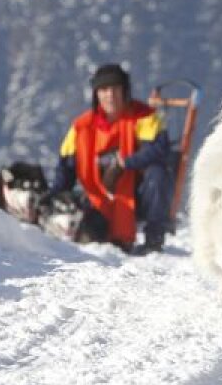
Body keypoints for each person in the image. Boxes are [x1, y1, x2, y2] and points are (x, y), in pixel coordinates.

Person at [51, 63, 172, 254]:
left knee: (157, 174)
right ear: (96, 94)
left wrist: (126, 162)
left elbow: (158, 150)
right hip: (97, 196)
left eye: (116, 88)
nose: (110, 95)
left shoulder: (144, 117)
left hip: (137, 194)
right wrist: (54, 197)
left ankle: (154, 239)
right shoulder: (81, 127)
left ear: (125, 90)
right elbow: (66, 168)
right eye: (104, 89)